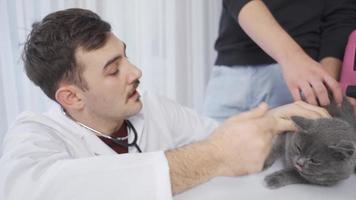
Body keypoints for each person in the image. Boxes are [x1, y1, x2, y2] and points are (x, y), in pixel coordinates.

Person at [0, 8, 329, 200]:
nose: (135, 72)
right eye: (114, 70)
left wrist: (269, 122)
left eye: (125, 56)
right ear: (71, 97)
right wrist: (213, 156)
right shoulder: (34, 134)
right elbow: (30, 189)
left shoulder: (153, 108)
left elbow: (220, 138)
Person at [203, 0, 356, 122]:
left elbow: (341, 15)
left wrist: (323, 88)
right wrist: (292, 58)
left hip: (301, 82)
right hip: (233, 73)